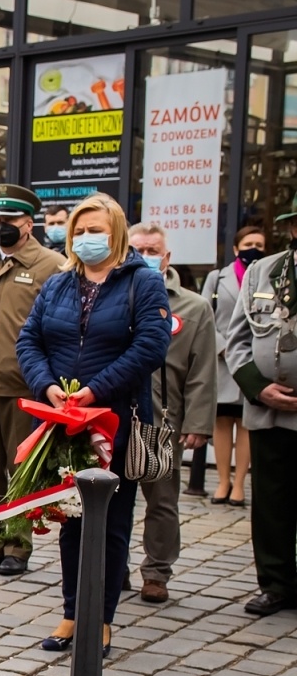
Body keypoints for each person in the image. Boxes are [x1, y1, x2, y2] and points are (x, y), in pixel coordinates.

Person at [17, 192, 171, 652]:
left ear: (117, 233)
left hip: (114, 420)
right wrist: (46, 385)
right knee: (71, 519)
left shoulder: (142, 282)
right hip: (63, 422)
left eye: (96, 230)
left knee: (109, 521)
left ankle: (99, 619)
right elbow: (30, 340)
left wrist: (95, 390)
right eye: (79, 231)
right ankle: (71, 613)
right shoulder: (59, 284)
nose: (87, 239)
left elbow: (150, 346)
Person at [0, 185, 65, 578]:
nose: (0, 227)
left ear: (28, 224)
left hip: (23, 386)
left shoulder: (50, 266)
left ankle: (17, 545)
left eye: (8, 221)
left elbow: (54, 331)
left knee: (20, 470)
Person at [126, 223, 215, 604]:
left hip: (162, 422)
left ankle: (157, 572)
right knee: (107, 499)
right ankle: (109, 567)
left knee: (161, 501)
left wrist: (197, 423)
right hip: (115, 415)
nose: (145, 254)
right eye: (137, 248)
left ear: (166, 257)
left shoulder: (193, 307)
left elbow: (202, 371)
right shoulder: (115, 292)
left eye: (152, 249)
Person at [225, 215, 297, 617]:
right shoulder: (263, 271)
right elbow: (237, 339)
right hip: (268, 409)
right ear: (293, 228)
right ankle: (276, 583)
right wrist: (258, 386)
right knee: (270, 501)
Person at [202, 225, 264, 506]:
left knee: (247, 423)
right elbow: (205, 316)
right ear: (236, 248)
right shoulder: (217, 278)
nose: (255, 249)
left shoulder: (267, 277)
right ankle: (223, 481)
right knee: (223, 422)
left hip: (255, 363)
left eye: (260, 245)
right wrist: (225, 347)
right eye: (249, 243)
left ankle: (240, 484)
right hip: (222, 360)